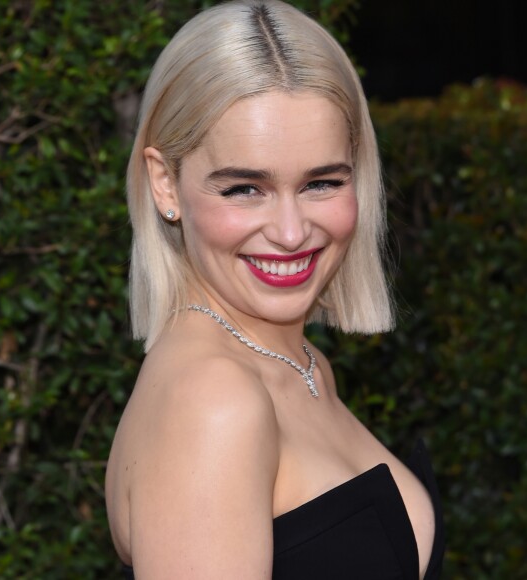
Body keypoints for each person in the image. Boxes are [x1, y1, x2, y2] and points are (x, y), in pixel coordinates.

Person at [105, 1, 445, 578]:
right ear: (165, 183)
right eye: (244, 188)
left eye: (321, 182)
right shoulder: (212, 401)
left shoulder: (298, 364)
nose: (291, 233)